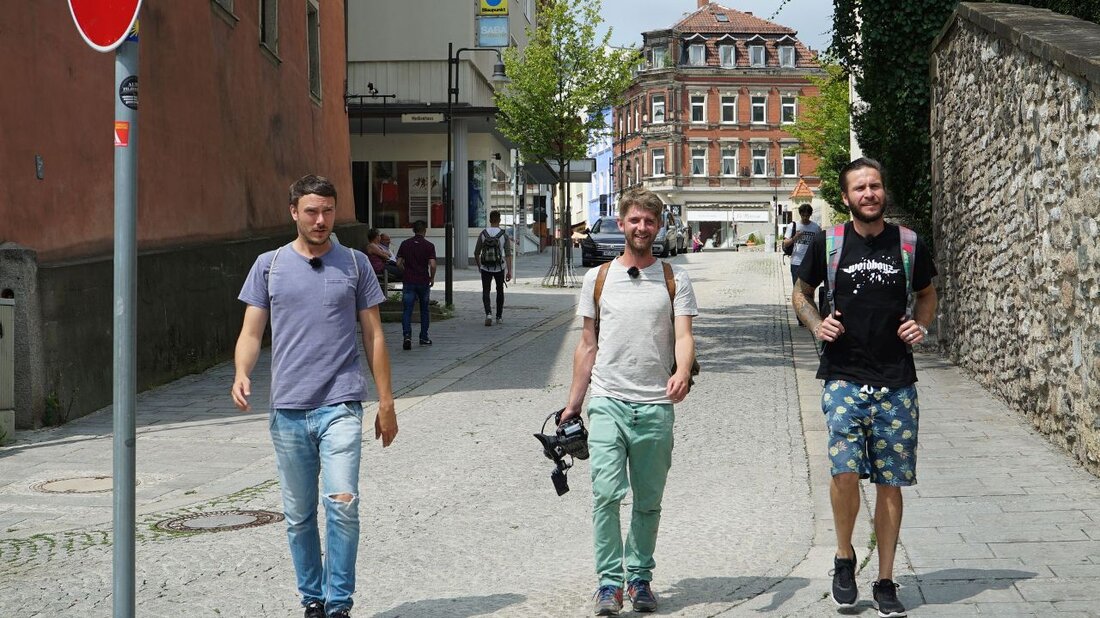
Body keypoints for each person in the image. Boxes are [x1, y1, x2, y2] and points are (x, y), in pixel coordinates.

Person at [231, 174, 398, 618]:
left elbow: (374, 335)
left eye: (327, 211)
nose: (320, 220)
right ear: (294, 212)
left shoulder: (356, 264)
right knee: (299, 515)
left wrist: (386, 403)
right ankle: (313, 599)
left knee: (342, 504)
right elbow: (252, 332)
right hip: (288, 409)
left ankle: (339, 604)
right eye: (311, 211)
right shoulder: (268, 265)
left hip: (340, 404)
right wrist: (241, 372)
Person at [792, 157, 937, 618]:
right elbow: (800, 293)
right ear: (846, 197)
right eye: (860, 188)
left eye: (875, 185)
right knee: (844, 472)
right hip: (843, 376)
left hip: (897, 381)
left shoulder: (909, 243)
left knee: (891, 483)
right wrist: (816, 324)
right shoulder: (828, 242)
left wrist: (920, 325)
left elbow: (927, 294)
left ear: (883, 190)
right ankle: (844, 557)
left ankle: (886, 579)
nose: (869, 193)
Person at [561, 188, 698, 616]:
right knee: (605, 494)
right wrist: (573, 404)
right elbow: (587, 345)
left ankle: (639, 578)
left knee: (648, 500)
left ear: (659, 226)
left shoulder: (674, 278)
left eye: (649, 221)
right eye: (635, 220)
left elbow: (684, 335)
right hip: (608, 401)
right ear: (621, 224)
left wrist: (681, 371)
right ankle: (609, 583)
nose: (642, 227)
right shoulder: (598, 279)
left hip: (656, 404)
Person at [396, 220, 436, 350]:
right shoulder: (429, 246)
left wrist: (405, 271)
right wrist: (432, 277)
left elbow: (398, 263)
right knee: (424, 310)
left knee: (407, 310)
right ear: (425, 230)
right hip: (423, 281)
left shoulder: (405, 244)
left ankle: (407, 336)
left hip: (409, 280)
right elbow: (433, 265)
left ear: (413, 230)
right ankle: (423, 337)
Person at [473, 210, 513, 326]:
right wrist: (509, 271)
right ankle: (499, 317)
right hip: (499, 267)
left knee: (486, 290)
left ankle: (488, 314)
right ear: (499, 220)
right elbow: (508, 254)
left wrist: (480, 266)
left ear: (490, 220)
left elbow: (476, 253)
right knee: (500, 290)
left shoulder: (483, 233)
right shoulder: (503, 235)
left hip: (485, 268)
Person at [783, 203, 822, 285]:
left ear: (810, 215)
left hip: (810, 262)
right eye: (803, 215)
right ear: (800, 214)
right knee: (797, 287)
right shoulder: (793, 226)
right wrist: (795, 237)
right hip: (796, 262)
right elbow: (786, 243)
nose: (805, 218)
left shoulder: (816, 227)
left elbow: (820, 244)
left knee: (809, 287)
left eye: (807, 216)